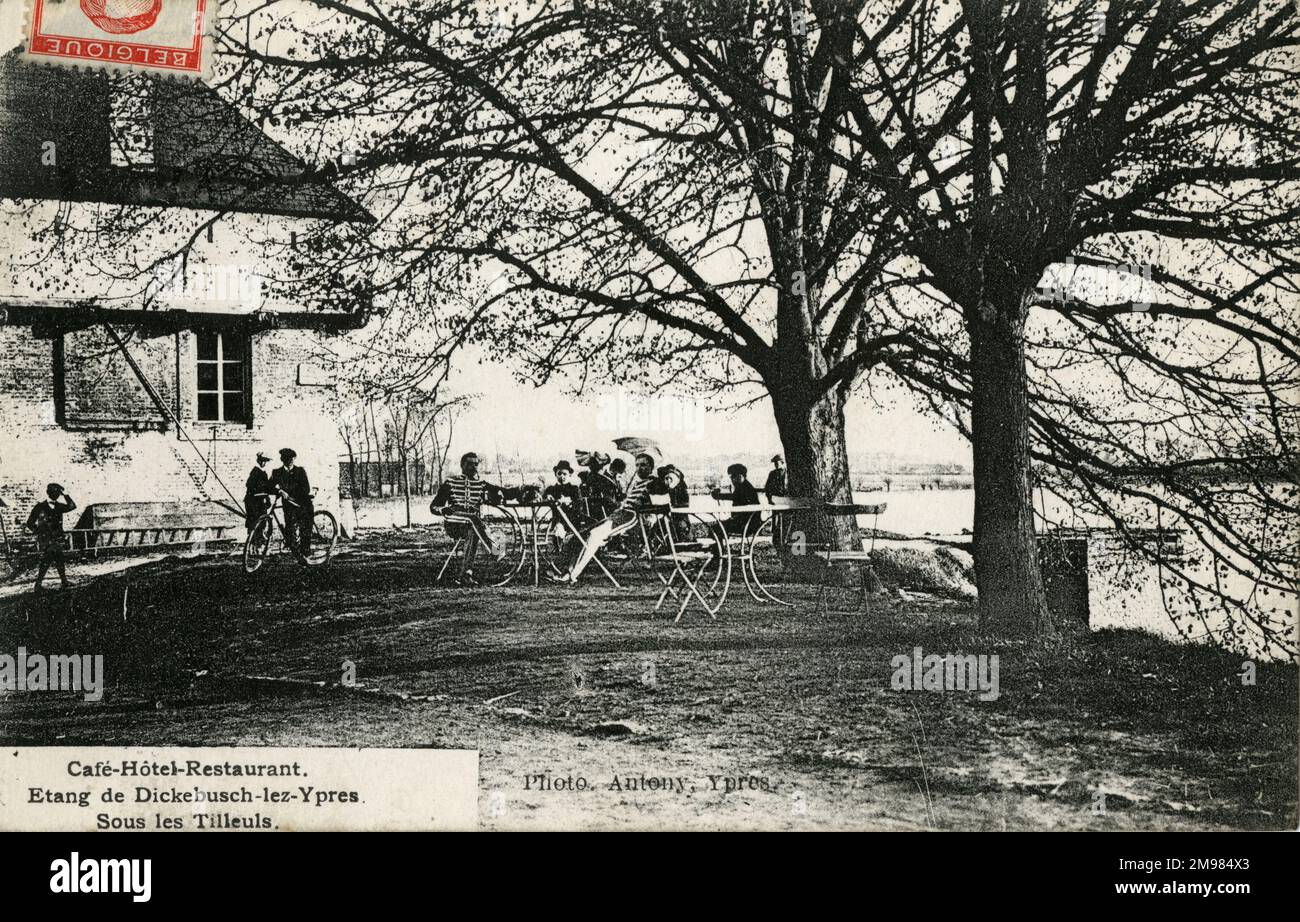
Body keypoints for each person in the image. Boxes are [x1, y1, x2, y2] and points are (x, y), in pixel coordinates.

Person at [553, 453, 665, 582]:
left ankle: (573, 575)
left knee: (595, 535)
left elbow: (660, 505)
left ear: (651, 467)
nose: (639, 468)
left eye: (643, 465)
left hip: (632, 519)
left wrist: (649, 513)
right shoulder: (638, 483)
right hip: (619, 514)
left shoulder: (654, 483)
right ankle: (568, 571)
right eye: (637, 465)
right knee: (581, 535)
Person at [430, 452, 513, 583]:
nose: (473, 467)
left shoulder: (481, 484)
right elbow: (433, 507)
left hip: (472, 526)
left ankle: (465, 574)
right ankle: (496, 551)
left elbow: (504, 492)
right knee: (473, 518)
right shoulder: (450, 482)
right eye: (470, 464)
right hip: (454, 524)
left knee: (473, 529)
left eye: (476, 464)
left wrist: (523, 490)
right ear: (462, 465)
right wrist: (443, 510)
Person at [25, 483, 76, 591]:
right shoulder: (40, 507)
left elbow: (72, 506)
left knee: (54, 559)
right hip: (46, 539)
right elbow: (29, 523)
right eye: (54, 493)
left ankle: (42, 584)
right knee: (53, 558)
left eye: (58, 493)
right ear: (48, 493)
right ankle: (59, 582)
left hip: (56, 538)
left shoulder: (59, 506)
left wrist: (66, 495)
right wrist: (39, 531)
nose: (56, 495)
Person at [270, 448, 314, 558]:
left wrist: (289, 492)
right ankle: (295, 550)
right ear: (282, 460)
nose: (290, 461)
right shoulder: (277, 473)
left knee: (305, 527)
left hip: (302, 503)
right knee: (290, 528)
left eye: (292, 459)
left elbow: (306, 489)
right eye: (287, 459)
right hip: (288, 506)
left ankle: (306, 552)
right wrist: (279, 491)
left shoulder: (300, 471)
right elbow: (269, 487)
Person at [543, 460, 583, 551]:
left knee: (572, 538)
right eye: (559, 473)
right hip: (558, 519)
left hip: (572, 519)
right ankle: (559, 548)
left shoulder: (574, 489)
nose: (562, 476)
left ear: (569, 475)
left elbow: (579, 504)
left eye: (565, 474)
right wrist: (547, 497)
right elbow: (543, 497)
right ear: (555, 474)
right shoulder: (552, 489)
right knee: (558, 530)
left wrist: (569, 501)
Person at [712, 463, 761, 536]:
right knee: (718, 527)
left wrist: (718, 496)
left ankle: (720, 547)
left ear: (740, 476)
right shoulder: (744, 486)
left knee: (716, 528)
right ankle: (720, 547)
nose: (732, 480)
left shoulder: (745, 488)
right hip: (747, 523)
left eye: (733, 476)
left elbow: (734, 497)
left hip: (747, 525)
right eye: (731, 477)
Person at [244, 451, 272, 532]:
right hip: (253, 501)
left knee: (262, 522)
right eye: (262, 460)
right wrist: (259, 492)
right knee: (254, 523)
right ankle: (252, 542)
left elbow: (267, 488)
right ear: (258, 461)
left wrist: (267, 498)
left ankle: (259, 541)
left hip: (260, 501)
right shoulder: (255, 472)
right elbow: (249, 485)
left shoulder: (264, 473)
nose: (264, 463)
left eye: (265, 461)